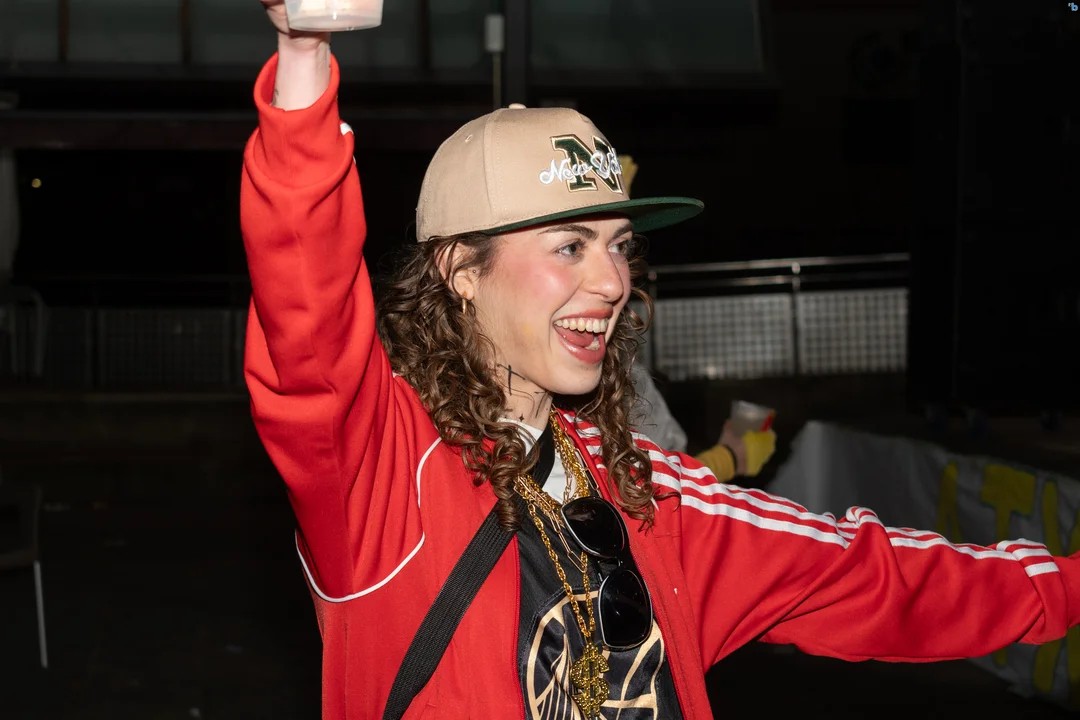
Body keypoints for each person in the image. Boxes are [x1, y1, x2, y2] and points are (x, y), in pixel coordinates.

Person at [241, 4, 1080, 718]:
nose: (613, 281)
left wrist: (1070, 586)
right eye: (570, 245)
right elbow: (306, 306)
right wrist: (305, 58)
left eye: (618, 245)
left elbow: (875, 578)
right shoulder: (383, 475)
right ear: (463, 270)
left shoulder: (648, 495)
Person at [630, 362, 776, 480]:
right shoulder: (629, 376)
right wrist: (728, 459)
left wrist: (728, 457)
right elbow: (660, 483)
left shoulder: (630, 374)